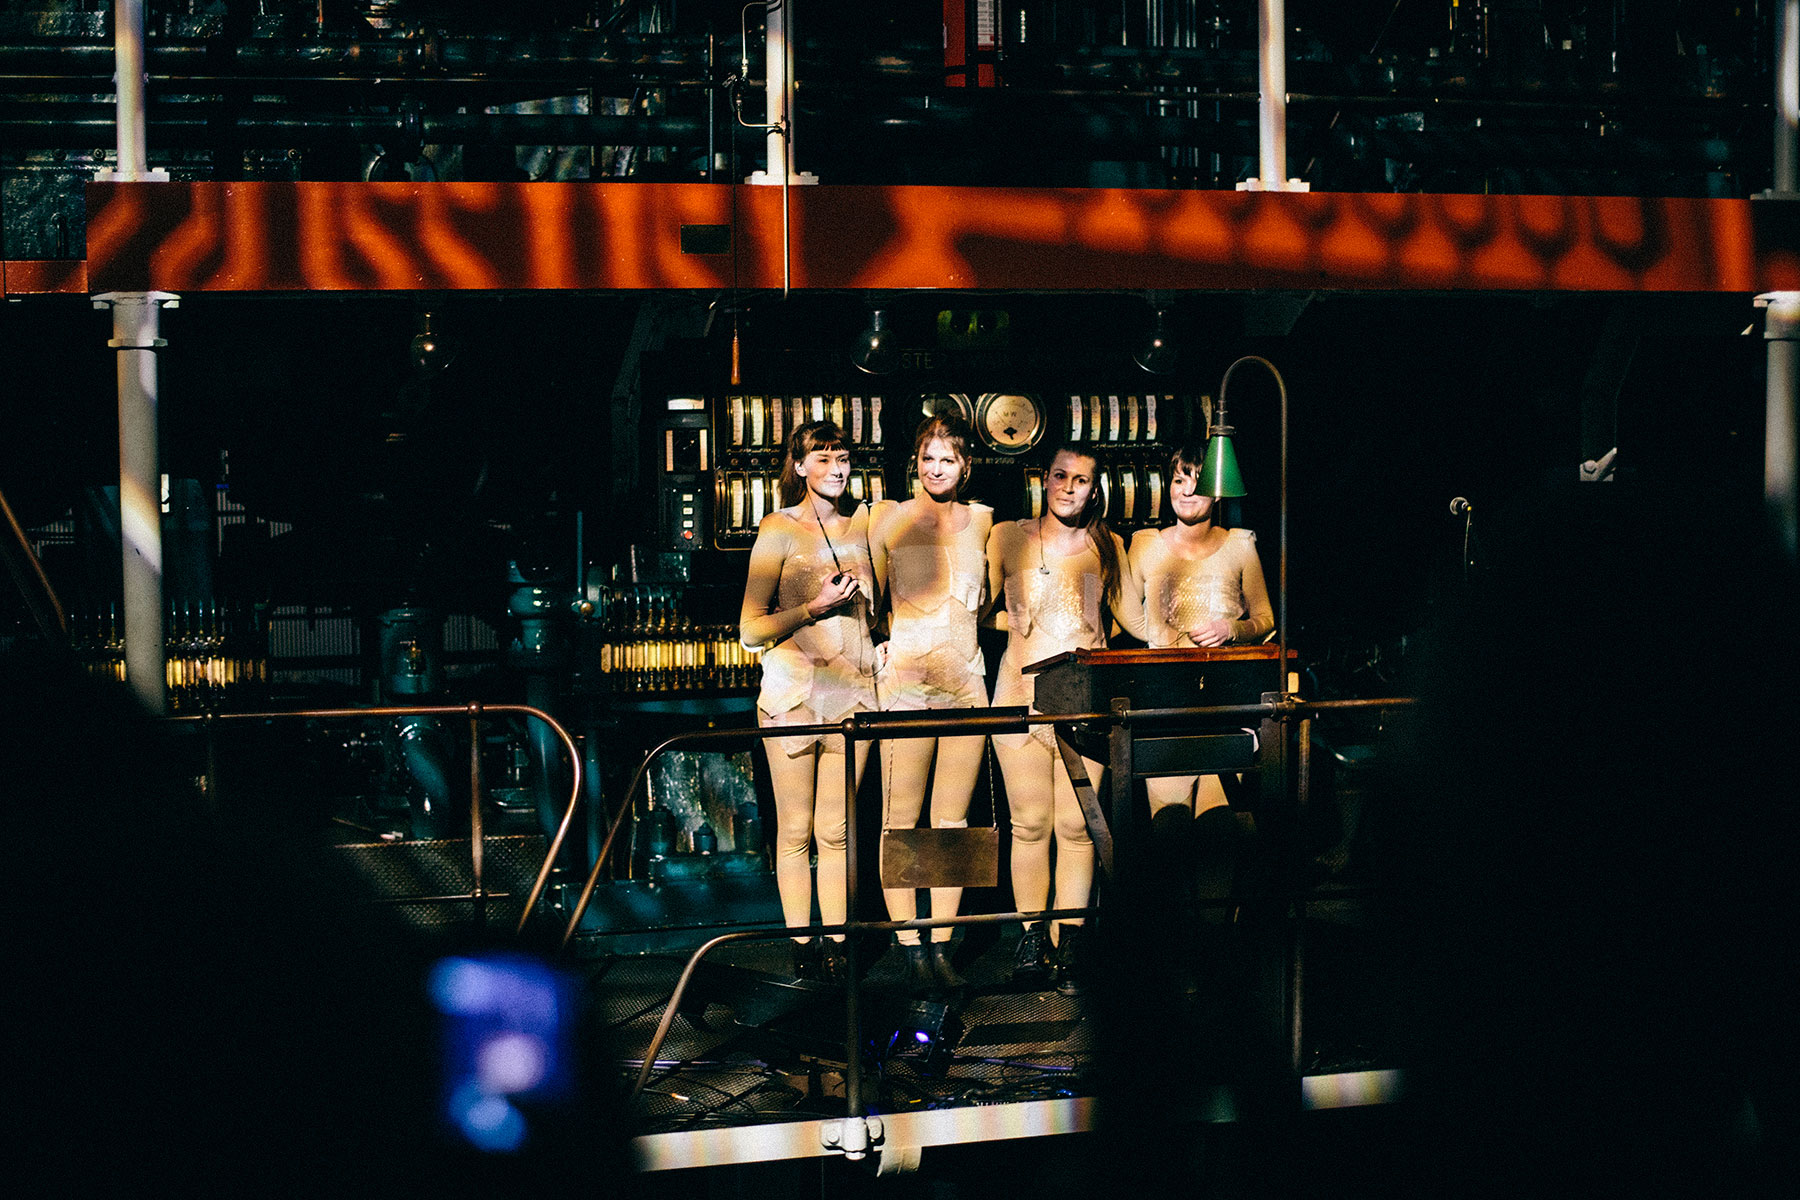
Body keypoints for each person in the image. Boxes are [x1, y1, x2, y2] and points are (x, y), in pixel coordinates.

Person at [986, 445, 1144, 991]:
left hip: (1085, 704)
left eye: (1081, 480)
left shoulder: (1109, 545)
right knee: (1030, 824)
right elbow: (976, 607)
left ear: (1094, 489)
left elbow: (1132, 619)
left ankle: (1071, 935)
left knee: (1078, 827)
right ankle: (1032, 936)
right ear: (1043, 480)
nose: (1069, 487)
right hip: (1020, 697)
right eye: (1060, 476)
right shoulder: (1007, 536)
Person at [739, 421, 877, 982]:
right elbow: (750, 628)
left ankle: (840, 946)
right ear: (798, 467)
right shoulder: (778, 528)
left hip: (851, 694)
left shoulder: (864, 524)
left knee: (838, 830)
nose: (835, 469)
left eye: (842, 458)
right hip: (794, 693)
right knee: (795, 830)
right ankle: (802, 945)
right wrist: (813, 608)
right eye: (822, 459)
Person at [869, 415, 993, 993]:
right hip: (907, 686)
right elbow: (870, 594)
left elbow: (989, 602)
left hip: (966, 684)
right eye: (927, 459)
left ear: (965, 466)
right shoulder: (887, 517)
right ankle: (907, 945)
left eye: (947, 459)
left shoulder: (985, 522)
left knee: (952, 819)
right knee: (900, 818)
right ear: (914, 464)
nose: (936, 469)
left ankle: (941, 943)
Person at [1126, 441, 1274, 820]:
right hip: (1162, 701)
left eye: (1197, 482)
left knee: (1218, 824)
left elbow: (1265, 620)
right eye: (1178, 480)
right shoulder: (1144, 545)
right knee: (1169, 822)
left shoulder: (1240, 545)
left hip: (1225, 698)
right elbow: (1120, 614)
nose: (1187, 491)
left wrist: (1232, 630)